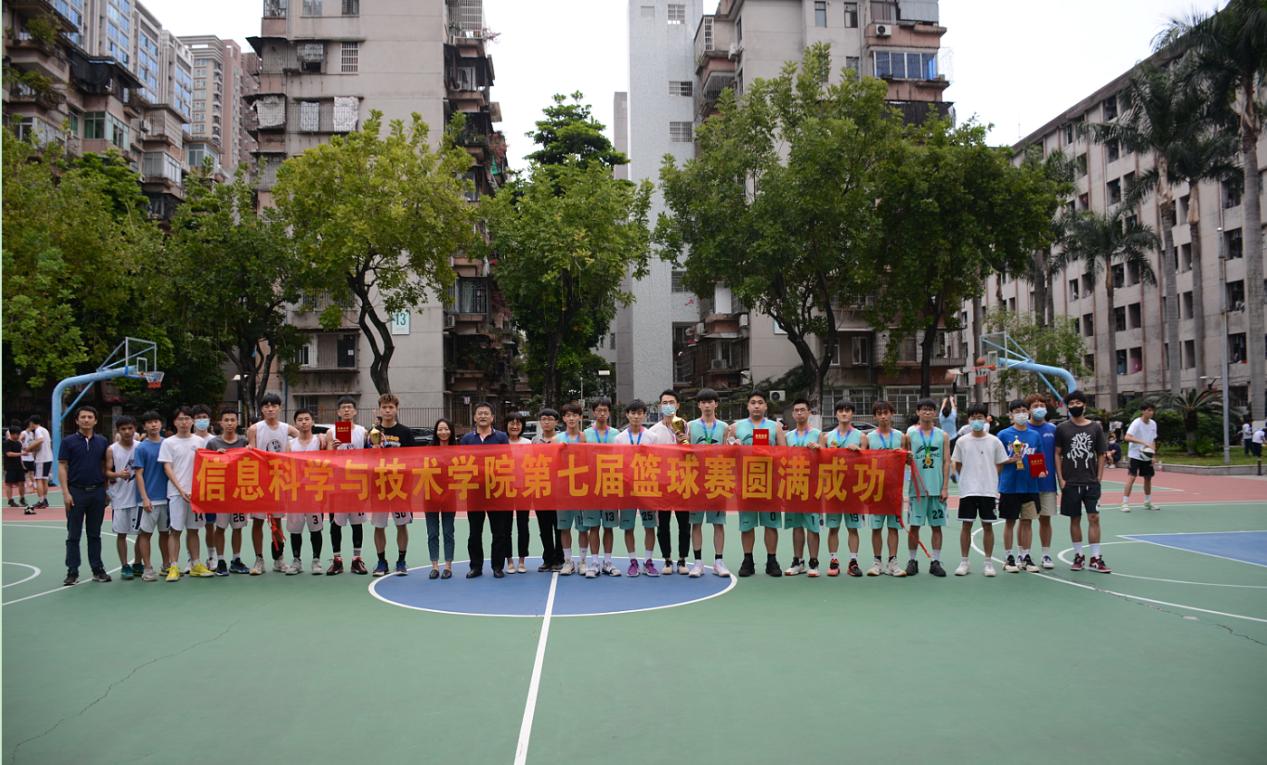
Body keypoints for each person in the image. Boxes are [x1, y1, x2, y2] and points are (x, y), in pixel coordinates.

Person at [726, 390, 786, 577]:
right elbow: (726, 452)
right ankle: (748, 560)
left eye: (760, 402)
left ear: (766, 406)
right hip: (746, 482)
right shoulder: (735, 427)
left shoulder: (775, 427)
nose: (757, 405)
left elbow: (785, 453)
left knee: (771, 523)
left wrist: (770, 454)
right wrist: (734, 447)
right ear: (748, 406)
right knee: (747, 524)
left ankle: (772, 560)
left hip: (769, 482)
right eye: (753, 402)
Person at [1055, 391, 1111, 573]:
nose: (1075, 406)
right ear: (1068, 407)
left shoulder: (1095, 427)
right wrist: (1061, 479)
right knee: (1075, 518)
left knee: (1094, 517)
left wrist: (1099, 477)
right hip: (1071, 482)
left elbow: (1101, 453)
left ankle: (1096, 558)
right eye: (1071, 403)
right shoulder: (1062, 428)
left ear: (1084, 405)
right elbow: (1057, 453)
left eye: (1078, 402)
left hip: (1091, 481)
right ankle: (1078, 555)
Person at [950, 404, 1007, 576]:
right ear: (968, 420)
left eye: (980, 417)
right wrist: (968, 478)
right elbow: (957, 464)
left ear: (986, 419)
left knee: (987, 525)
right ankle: (964, 562)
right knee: (966, 525)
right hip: (968, 490)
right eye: (973, 417)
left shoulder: (994, 441)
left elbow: (1000, 464)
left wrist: (990, 477)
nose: (976, 420)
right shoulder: (962, 441)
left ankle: (988, 563)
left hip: (988, 490)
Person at [158, 406, 214, 581]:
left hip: (196, 494)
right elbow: (167, 468)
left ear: (192, 421)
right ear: (175, 422)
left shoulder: (200, 441)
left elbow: (207, 463)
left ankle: (196, 564)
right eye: (180, 419)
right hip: (176, 494)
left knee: (193, 530)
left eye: (187, 418)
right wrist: (181, 490)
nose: (184, 422)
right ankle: (174, 566)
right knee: (175, 530)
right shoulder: (168, 443)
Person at [58, 406, 112, 586]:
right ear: (77, 420)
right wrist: (66, 493)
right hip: (76, 492)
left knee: (94, 534)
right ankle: (72, 571)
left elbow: (105, 466)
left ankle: (97, 569)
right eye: (83, 417)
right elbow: (62, 466)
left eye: (90, 417)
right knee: (73, 535)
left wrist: (105, 490)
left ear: (95, 420)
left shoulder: (102, 441)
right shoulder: (68, 442)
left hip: (97, 492)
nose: (86, 420)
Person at [246, 393, 298, 574]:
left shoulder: (287, 428)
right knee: (258, 521)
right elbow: (251, 450)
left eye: (274, 406)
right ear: (261, 409)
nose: (270, 409)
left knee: (277, 521)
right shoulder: (254, 429)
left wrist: (321, 438)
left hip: (279, 481)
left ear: (279, 408)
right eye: (266, 406)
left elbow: (303, 439)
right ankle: (259, 559)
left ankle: (279, 558)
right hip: (260, 481)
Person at [459, 402, 510, 578]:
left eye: (486, 413)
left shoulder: (501, 437)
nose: (482, 416)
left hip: (496, 491)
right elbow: (462, 463)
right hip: (474, 492)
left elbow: (506, 460)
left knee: (499, 532)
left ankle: (497, 567)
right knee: (474, 533)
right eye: (479, 413)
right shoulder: (467, 439)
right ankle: (476, 567)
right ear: (474, 417)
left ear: (492, 418)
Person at [322, 396, 369, 575]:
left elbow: (370, 455)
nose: (347, 410)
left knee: (357, 523)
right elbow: (327, 458)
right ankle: (337, 560)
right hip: (337, 484)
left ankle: (357, 559)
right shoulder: (331, 432)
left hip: (356, 483)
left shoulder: (363, 432)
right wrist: (334, 449)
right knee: (336, 522)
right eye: (343, 408)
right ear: (338, 412)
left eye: (350, 407)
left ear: (355, 411)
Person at [996, 399, 1044, 573]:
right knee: (1010, 522)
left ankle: (1025, 556)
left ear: (1028, 413)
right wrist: (1009, 460)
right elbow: (997, 460)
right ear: (1011, 414)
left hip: (1030, 486)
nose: (1021, 414)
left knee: (1027, 522)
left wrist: (1040, 471)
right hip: (1009, 486)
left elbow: (1038, 458)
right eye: (1017, 411)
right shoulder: (1003, 435)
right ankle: (1008, 557)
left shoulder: (1034, 435)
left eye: (1024, 410)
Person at [369, 393, 415, 576]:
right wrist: (373, 450)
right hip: (379, 486)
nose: (387, 410)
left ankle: (401, 561)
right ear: (379, 410)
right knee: (379, 525)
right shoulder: (372, 432)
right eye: (384, 407)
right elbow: (364, 459)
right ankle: (381, 562)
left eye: (391, 407)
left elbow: (413, 459)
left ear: (396, 409)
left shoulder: (405, 432)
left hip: (399, 486)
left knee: (401, 525)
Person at [686, 389, 729, 578]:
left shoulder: (724, 427)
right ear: (699, 405)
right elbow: (684, 451)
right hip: (696, 480)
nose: (707, 405)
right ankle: (698, 563)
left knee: (718, 523)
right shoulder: (690, 426)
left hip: (717, 479)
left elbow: (728, 451)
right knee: (696, 523)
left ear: (716, 404)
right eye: (703, 402)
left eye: (710, 401)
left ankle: (719, 561)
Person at [647, 389, 691, 575]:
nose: (668, 406)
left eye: (671, 402)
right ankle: (667, 559)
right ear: (660, 406)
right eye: (664, 403)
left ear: (678, 405)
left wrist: (684, 441)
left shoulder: (685, 426)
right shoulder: (653, 432)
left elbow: (691, 453)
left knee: (684, 524)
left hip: (682, 482)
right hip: (663, 484)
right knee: (663, 524)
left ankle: (682, 560)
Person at [905, 398, 949, 577]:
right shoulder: (910, 435)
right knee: (914, 526)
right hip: (917, 489)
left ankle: (935, 561)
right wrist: (907, 458)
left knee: (936, 526)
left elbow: (946, 462)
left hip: (936, 488)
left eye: (930, 409)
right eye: (924, 409)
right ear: (918, 412)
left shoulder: (942, 435)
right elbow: (905, 459)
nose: (927, 412)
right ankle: (912, 560)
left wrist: (945, 487)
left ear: (935, 413)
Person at [819, 401, 865, 577]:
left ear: (852, 413)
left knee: (853, 528)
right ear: (836, 414)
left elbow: (868, 461)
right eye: (841, 410)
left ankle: (853, 562)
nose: (844, 413)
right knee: (833, 528)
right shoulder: (827, 437)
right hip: (833, 488)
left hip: (854, 489)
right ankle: (834, 560)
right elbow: (821, 461)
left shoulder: (861, 437)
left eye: (847, 410)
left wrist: (859, 451)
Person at [614, 399, 659, 576]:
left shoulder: (652, 437)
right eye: (633, 413)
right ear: (627, 415)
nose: (636, 416)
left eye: (640, 413)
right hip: (627, 490)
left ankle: (648, 561)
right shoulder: (619, 439)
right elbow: (617, 464)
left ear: (644, 415)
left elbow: (657, 462)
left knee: (650, 526)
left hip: (647, 488)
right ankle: (632, 561)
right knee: (628, 527)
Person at [550, 405, 594, 576]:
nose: (571, 418)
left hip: (582, 489)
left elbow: (591, 461)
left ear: (580, 417)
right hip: (563, 490)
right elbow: (551, 464)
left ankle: (582, 561)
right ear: (563, 418)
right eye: (568, 415)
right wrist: (558, 452)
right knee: (564, 527)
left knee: (583, 528)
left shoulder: (585, 437)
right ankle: (568, 562)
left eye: (575, 415)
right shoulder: (556, 439)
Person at [865, 400, 907, 577]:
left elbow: (907, 461)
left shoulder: (901, 437)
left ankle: (893, 563)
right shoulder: (868, 438)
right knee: (876, 528)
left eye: (886, 413)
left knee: (893, 528)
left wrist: (907, 456)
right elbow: (863, 461)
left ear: (892, 414)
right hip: (875, 490)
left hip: (894, 490)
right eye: (879, 413)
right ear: (875, 417)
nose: (883, 416)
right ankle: (877, 563)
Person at [206, 408, 249, 575]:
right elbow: (205, 465)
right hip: (221, 494)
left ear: (237, 423)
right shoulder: (213, 443)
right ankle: (221, 560)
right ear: (221, 423)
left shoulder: (244, 442)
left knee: (238, 527)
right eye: (226, 420)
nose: (230, 423)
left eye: (232, 420)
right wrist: (216, 457)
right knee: (220, 527)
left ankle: (236, 559)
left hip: (239, 493)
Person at [783, 398, 822, 577]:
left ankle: (814, 562)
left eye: (802, 410)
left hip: (812, 486)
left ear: (809, 413)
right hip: (793, 485)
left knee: (812, 526)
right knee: (797, 525)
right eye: (796, 410)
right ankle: (798, 561)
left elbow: (826, 458)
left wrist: (818, 449)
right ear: (793, 414)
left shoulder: (818, 435)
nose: (799, 413)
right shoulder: (788, 436)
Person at [584, 399, 624, 576]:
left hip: (610, 486)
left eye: (605, 410)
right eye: (598, 410)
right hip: (591, 487)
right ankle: (594, 563)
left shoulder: (617, 434)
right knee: (593, 527)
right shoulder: (585, 434)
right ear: (594, 412)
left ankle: (607, 562)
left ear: (609, 412)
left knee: (608, 526)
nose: (601, 413)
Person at [286, 409, 325, 575]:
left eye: (307, 419)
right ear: (295, 424)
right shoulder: (290, 445)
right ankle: (296, 561)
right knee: (295, 529)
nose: (303, 422)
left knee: (315, 528)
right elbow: (286, 468)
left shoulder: (320, 441)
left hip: (315, 492)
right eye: (300, 420)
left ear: (312, 422)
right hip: (296, 492)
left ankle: (316, 561)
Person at [132, 411, 169, 581]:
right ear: (144, 426)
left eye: (156, 421)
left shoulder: (168, 444)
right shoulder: (141, 448)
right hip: (149, 500)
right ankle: (147, 568)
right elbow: (139, 474)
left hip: (167, 498)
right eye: (149, 422)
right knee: (145, 534)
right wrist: (144, 498)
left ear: (161, 424)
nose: (153, 425)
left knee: (165, 534)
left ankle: (166, 565)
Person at [105, 415, 140, 580]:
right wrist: (118, 474)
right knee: (121, 534)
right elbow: (106, 471)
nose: (127, 432)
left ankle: (138, 563)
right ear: (118, 431)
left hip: (138, 497)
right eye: (123, 429)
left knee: (142, 533)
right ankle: (125, 565)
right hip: (119, 497)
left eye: (130, 428)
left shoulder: (140, 447)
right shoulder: (112, 449)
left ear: (135, 429)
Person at [1026, 394, 1059, 569]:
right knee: (1026, 520)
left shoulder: (1053, 429)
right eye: (1035, 405)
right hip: (1027, 484)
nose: (1039, 408)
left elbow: (1058, 456)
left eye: (1042, 405)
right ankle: (1024, 554)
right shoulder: (1023, 429)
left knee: (1045, 519)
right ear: (1028, 410)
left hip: (1047, 483)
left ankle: (1046, 554)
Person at [532, 408, 565, 573]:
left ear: (556, 422)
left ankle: (560, 558)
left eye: (550, 419)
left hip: (558, 490)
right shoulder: (534, 441)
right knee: (544, 527)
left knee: (559, 526)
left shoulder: (562, 439)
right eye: (543, 419)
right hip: (540, 489)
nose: (546, 422)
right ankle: (547, 559)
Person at [425, 418, 457, 579]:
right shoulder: (428, 450)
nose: (443, 432)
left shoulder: (457, 450)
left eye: (446, 429)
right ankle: (435, 566)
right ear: (436, 432)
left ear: (451, 431)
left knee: (448, 532)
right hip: (430, 496)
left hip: (450, 496)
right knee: (432, 533)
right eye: (440, 429)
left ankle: (448, 566)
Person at [190, 404, 219, 573]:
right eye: (198, 418)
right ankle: (192, 559)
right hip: (191, 489)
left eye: (204, 417)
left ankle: (212, 556)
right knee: (191, 527)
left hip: (210, 489)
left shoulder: (214, 440)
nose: (202, 420)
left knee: (210, 524)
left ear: (209, 420)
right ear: (193, 420)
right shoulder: (188, 439)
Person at [504, 413, 532, 574]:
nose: (515, 426)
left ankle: (522, 560)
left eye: (518, 423)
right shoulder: (501, 442)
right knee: (505, 527)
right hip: (505, 490)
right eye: (512, 423)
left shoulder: (528, 443)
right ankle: (509, 561)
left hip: (524, 490)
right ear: (506, 425)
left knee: (523, 525)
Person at [1121, 402, 1159, 512]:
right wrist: (1142, 442)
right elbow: (1127, 437)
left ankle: (1148, 502)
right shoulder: (1136, 423)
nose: (1151, 412)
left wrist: (1152, 455)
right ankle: (1124, 503)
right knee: (1132, 477)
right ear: (1143, 411)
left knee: (1148, 478)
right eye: (1149, 410)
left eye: (1152, 410)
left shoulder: (1153, 424)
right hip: (1135, 455)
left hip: (1147, 456)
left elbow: (1153, 440)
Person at [23, 415, 52, 510]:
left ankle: (41, 501)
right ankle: (45, 500)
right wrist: (33, 449)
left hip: (41, 458)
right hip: (48, 457)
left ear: (32, 423)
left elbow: (40, 440)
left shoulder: (38, 430)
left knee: (39, 479)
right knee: (44, 480)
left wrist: (29, 448)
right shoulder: (45, 430)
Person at [5, 425, 30, 512]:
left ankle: (22, 498)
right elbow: (9, 454)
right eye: (17, 434)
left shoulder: (19, 443)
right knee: (9, 484)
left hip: (19, 466)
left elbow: (19, 457)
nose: (18, 436)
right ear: (12, 434)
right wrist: (21, 454)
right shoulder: (7, 443)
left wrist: (23, 466)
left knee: (22, 482)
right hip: (10, 467)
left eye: (19, 434)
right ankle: (10, 500)